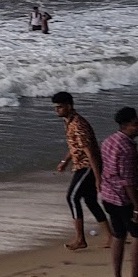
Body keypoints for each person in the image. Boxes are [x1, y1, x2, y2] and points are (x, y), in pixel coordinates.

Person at [100, 107, 138, 277]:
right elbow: (128, 183)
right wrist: (137, 208)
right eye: (135, 124)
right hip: (124, 198)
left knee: (118, 235)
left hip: (108, 195)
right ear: (125, 126)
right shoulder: (127, 148)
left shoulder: (109, 141)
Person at [51, 92, 108, 251]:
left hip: (87, 166)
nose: (57, 110)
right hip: (80, 165)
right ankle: (110, 236)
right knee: (90, 200)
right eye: (55, 108)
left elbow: (89, 151)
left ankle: (80, 238)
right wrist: (65, 161)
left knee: (72, 197)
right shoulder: (68, 122)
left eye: (60, 107)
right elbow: (74, 145)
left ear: (70, 106)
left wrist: (98, 178)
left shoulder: (78, 124)